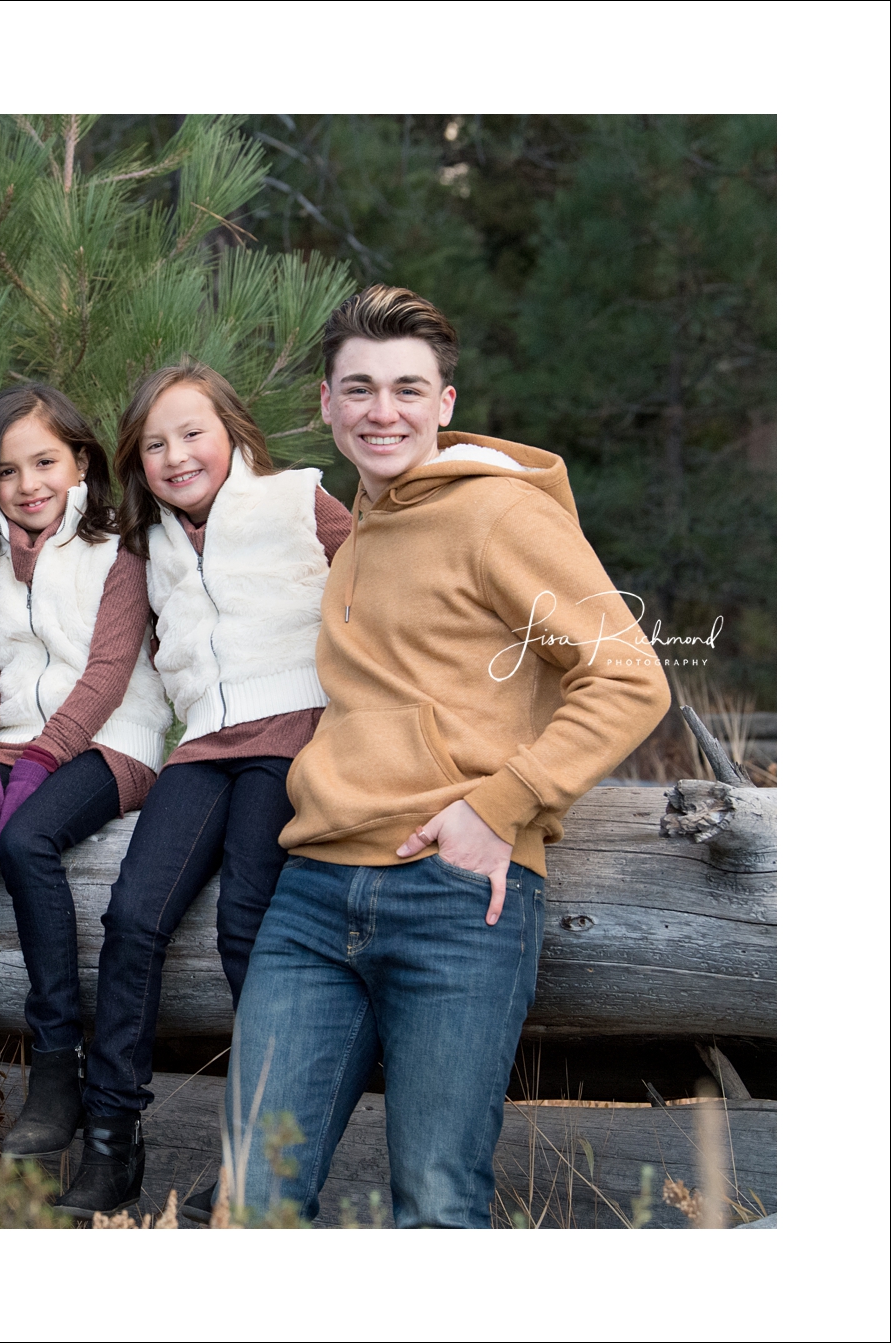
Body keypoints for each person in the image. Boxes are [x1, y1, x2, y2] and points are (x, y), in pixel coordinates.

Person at [225, 285, 670, 1227]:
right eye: (360, 388)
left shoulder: (498, 516)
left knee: (434, 1203)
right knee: (254, 1199)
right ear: (327, 403)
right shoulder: (361, 527)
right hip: (309, 898)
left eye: (407, 389)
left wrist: (502, 803)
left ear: (446, 404)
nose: (382, 411)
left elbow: (630, 679)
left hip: (452, 895)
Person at [55, 361, 353, 1220]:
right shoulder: (149, 547)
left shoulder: (300, 501)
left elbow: (377, 591)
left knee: (245, 925)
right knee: (132, 916)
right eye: (154, 444)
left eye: (193, 433)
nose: (177, 455)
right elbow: (118, 658)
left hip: (292, 729)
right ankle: (114, 1139)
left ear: (235, 433)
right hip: (202, 747)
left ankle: (261, 1173)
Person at [0, 383, 168, 1156]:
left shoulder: (117, 549)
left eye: (46, 462)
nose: (30, 486)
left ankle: (59, 1064)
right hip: (14, 745)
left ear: (80, 460)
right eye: (8, 471)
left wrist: (37, 770)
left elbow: (108, 674)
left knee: (26, 841)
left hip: (109, 741)